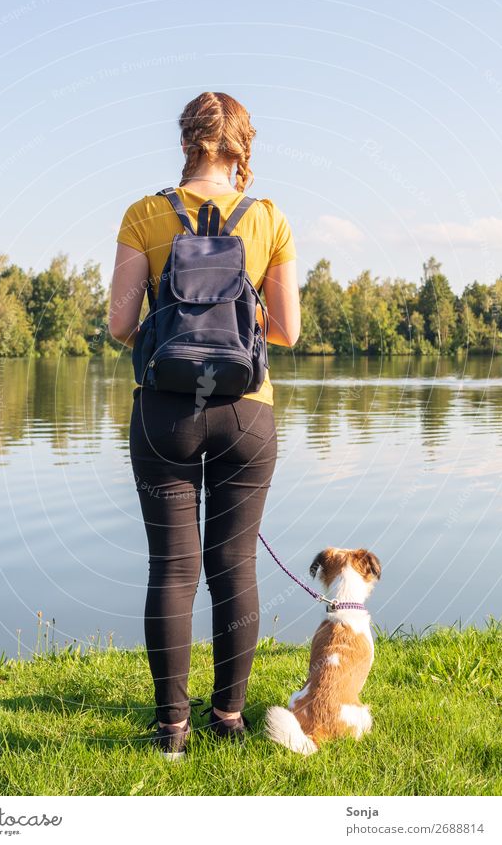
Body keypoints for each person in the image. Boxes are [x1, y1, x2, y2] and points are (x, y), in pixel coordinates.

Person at [109, 91, 300, 758]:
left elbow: (119, 326)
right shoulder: (269, 218)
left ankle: (171, 732)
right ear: (242, 148)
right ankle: (228, 717)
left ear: (188, 140)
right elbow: (289, 331)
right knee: (234, 564)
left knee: (173, 569)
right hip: (248, 410)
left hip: (164, 409)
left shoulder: (144, 214)